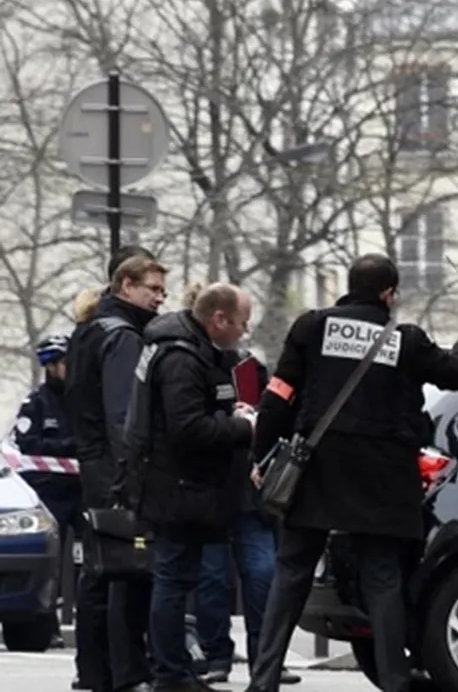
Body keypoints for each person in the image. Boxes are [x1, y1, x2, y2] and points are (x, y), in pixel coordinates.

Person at [244, 254, 458, 692]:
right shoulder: (405, 340)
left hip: (316, 471)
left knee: (292, 571)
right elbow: (456, 375)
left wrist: (261, 458)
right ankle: (393, 681)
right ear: (388, 293)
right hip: (382, 479)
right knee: (382, 578)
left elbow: (278, 397)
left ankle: (264, 680)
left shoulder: (311, 327)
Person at [120, 283, 256, 692]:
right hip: (178, 488)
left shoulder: (192, 352)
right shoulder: (182, 358)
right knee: (173, 581)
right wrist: (242, 426)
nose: (243, 332)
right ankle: (171, 673)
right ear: (218, 319)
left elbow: (193, 413)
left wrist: (228, 411)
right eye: (241, 323)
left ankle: (174, 670)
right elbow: (186, 428)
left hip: (185, 486)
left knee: (177, 580)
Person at [174, 282, 300, 687]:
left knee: (261, 572)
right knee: (212, 578)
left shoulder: (248, 366)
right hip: (211, 485)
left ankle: (267, 655)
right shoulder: (188, 362)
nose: (243, 330)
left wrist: (256, 419)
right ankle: (217, 654)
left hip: (247, 484)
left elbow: (275, 413)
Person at [65, 253, 166, 692]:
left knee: (98, 569)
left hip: (92, 466)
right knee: (127, 569)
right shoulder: (123, 337)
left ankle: (94, 671)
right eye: (153, 289)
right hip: (116, 470)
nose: (160, 299)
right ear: (126, 285)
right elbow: (124, 415)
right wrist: (134, 473)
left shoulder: (87, 329)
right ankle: (130, 673)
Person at [10, 334, 81, 654]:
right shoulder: (36, 403)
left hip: (81, 490)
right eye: (66, 362)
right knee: (51, 562)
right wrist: (68, 448)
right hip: (49, 492)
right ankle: (47, 624)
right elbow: (29, 444)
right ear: (52, 367)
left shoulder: (83, 401)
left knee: (96, 556)